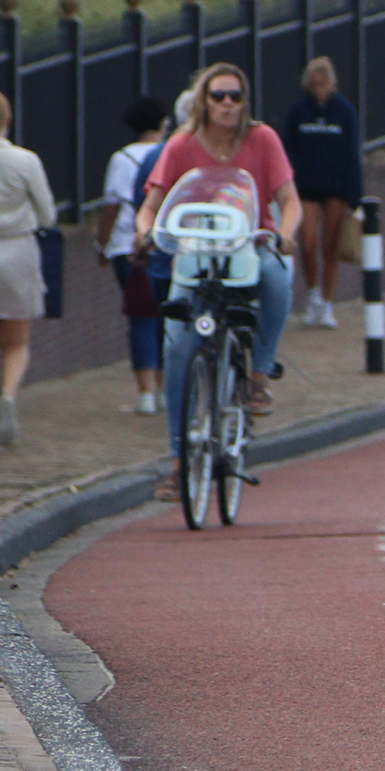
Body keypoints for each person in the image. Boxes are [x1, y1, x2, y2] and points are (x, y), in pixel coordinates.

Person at [137, 65, 300, 494]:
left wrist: (285, 234)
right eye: (218, 96)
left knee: (278, 278)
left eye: (235, 96)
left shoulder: (263, 139)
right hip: (196, 254)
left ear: (246, 101)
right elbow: (151, 204)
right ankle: (177, 460)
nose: (227, 104)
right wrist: (144, 230)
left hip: (249, 245)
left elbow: (289, 201)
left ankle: (259, 375)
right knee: (176, 350)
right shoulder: (181, 146)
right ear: (202, 101)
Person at [93, 97, 167, 419]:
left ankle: (145, 393)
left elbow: (111, 208)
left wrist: (102, 246)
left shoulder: (121, 159)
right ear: (163, 123)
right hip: (165, 245)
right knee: (169, 315)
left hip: (128, 247)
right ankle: (165, 388)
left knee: (140, 316)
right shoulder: (169, 153)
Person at [279, 57, 363, 329]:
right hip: (306, 188)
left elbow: (353, 153)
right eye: (315, 85)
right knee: (308, 241)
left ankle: (327, 302)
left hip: (337, 188)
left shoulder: (345, 111)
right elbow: (287, 150)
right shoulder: (298, 112)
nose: (319, 91)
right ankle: (313, 293)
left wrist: (356, 196)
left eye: (324, 85)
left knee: (330, 246)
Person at [0, 93, 58, 449]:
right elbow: (49, 214)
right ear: (7, 120)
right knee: (17, 340)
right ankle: (7, 396)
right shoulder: (25, 161)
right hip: (17, 250)